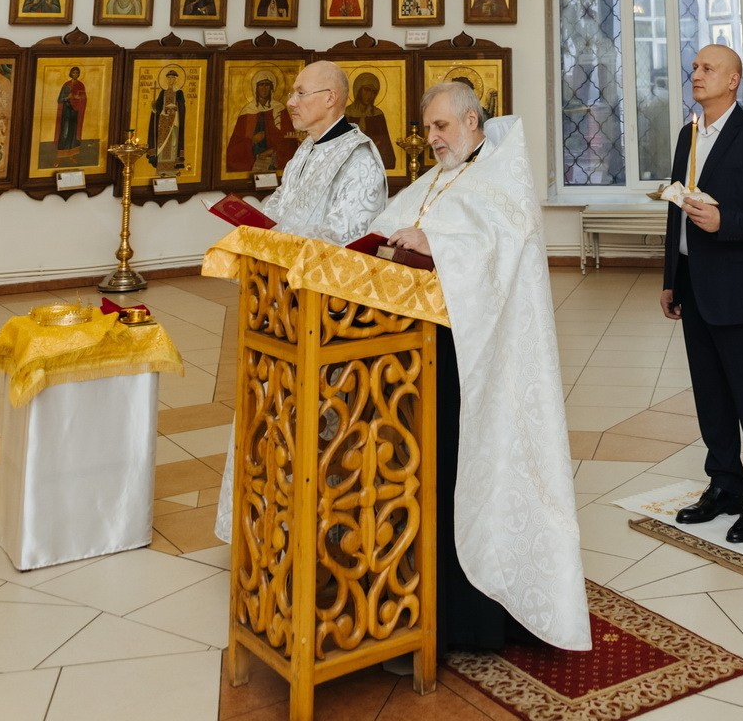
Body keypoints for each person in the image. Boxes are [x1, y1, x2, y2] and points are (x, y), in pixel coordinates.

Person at [379, 84, 590, 652]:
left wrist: (436, 242)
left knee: (464, 465)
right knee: (428, 467)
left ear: (473, 121)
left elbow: (499, 245)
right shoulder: (437, 179)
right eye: (427, 130)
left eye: (442, 127)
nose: (433, 140)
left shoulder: (502, 177)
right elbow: (396, 226)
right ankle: (420, 598)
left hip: (478, 359)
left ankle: (472, 617)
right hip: (426, 350)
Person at [215, 62, 389, 543]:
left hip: (325, 318)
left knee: (319, 430)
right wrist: (251, 221)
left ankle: (320, 535)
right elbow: (281, 209)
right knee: (272, 416)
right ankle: (269, 525)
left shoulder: (358, 158)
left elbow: (349, 237)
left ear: (330, 97)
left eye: (298, 92)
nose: (289, 101)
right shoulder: (305, 152)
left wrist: (280, 238)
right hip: (281, 309)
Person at [661, 44, 743, 543]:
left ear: (734, 80)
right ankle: (724, 484)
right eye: (694, 69)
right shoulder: (688, 135)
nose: (697, 75)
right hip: (692, 280)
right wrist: (670, 276)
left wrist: (726, 220)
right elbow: (675, 206)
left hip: (736, 285)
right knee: (710, 393)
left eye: (708, 68)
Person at [225, 75, 291, 174]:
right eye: (261, 85)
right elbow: (234, 147)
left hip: (274, 160)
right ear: (255, 87)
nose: (264, 88)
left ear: (272, 87)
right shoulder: (247, 111)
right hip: (251, 159)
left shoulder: (279, 109)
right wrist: (252, 141)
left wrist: (273, 150)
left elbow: (289, 140)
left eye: (267, 85)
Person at [346, 71, 396, 169]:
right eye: (367, 90)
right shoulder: (347, 114)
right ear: (358, 90)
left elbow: (387, 152)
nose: (370, 95)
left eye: (373, 92)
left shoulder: (378, 115)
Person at [147, 69, 185, 170]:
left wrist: (174, 110)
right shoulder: (162, 92)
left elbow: (182, 108)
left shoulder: (179, 92)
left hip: (174, 122)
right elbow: (158, 107)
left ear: (176, 80)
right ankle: (161, 162)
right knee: (162, 142)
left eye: (172, 78)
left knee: (173, 142)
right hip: (163, 122)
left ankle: (172, 163)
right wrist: (154, 106)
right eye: (168, 78)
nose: (170, 80)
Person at [54, 68, 87, 153]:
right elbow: (60, 99)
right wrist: (67, 98)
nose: (75, 74)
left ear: (79, 74)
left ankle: (72, 154)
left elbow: (84, 98)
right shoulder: (66, 85)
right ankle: (60, 155)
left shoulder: (80, 85)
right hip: (67, 111)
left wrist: (78, 98)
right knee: (65, 132)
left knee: (73, 132)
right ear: (71, 74)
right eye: (74, 72)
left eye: (77, 73)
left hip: (75, 112)